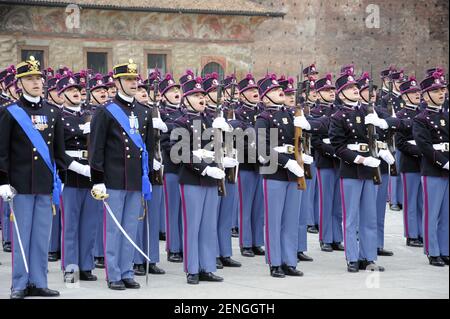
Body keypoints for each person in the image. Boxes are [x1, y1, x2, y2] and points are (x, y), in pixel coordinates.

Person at [0, 56, 66, 299]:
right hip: (20, 185)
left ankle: (38, 281)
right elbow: (2, 151)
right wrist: (2, 181)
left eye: (39, 77)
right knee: (21, 237)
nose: (37, 82)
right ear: (20, 83)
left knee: (41, 237)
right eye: (30, 78)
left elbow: (58, 152)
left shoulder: (53, 112)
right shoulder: (10, 113)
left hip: (44, 184)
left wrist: (64, 177)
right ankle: (19, 284)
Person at [89, 59, 156, 290]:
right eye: (128, 79)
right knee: (114, 229)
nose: (133, 83)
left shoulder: (144, 112)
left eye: (135, 79)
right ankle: (114, 273)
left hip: (136, 179)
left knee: (130, 227)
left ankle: (127, 271)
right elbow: (96, 148)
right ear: (117, 83)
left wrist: (148, 177)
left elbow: (148, 147)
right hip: (114, 179)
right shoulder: (105, 112)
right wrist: (97, 179)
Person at [413, 72, 449, 267]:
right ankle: (432, 251)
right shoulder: (421, 119)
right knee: (432, 212)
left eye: (442, 89)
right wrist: (444, 162)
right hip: (434, 168)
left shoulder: (447, 115)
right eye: (435, 91)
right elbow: (424, 146)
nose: (441, 93)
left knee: (447, 213)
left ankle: (445, 249)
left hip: (448, 167)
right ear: (426, 96)